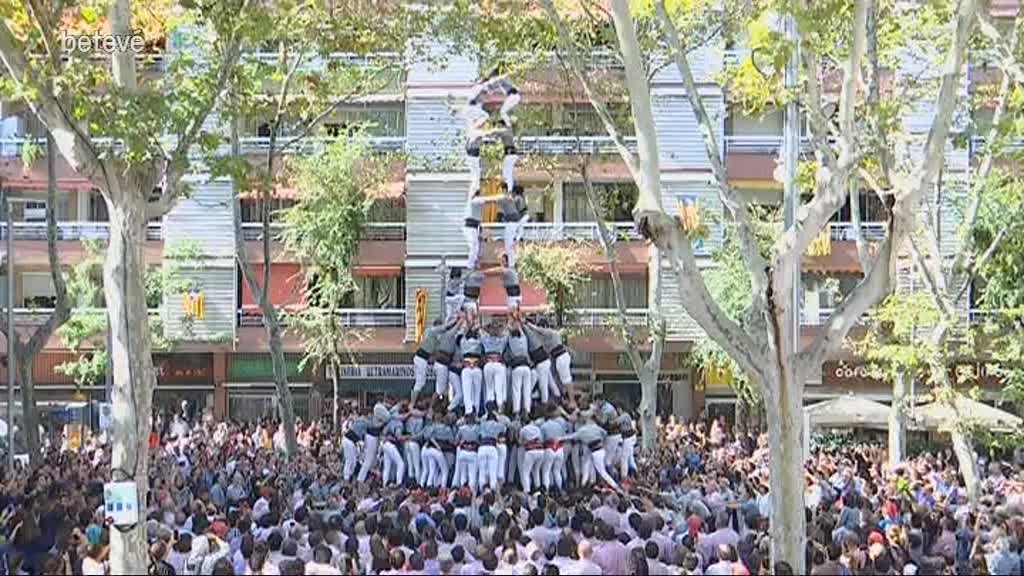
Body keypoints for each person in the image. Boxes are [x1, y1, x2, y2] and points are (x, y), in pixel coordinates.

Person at [524, 319, 568, 399]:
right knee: (551, 382)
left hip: (556, 358)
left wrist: (527, 323)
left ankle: (547, 401)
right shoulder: (542, 337)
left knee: (544, 384)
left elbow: (539, 330)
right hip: (548, 360)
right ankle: (559, 397)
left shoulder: (550, 333)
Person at [481, 318, 510, 413]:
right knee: (498, 388)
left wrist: (488, 328)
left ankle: (489, 411)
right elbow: (507, 332)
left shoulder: (485, 338)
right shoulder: (503, 339)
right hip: (498, 364)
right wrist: (501, 328)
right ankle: (499, 410)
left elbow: (480, 330)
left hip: (488, 364)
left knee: (489, 389)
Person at [506, 314, 533, 416]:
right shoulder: (524, 339)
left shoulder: (511, 340)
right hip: (526, 367)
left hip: (517, 368)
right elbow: (519, 329)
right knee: (526, 391)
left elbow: (509, 329)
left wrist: (510, 319)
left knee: (516, 390)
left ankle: (516, 412)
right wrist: (516, 318)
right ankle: (527, 410)